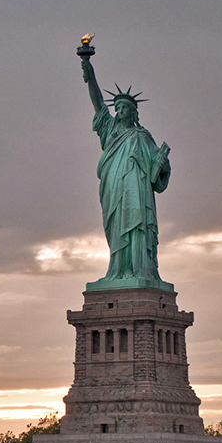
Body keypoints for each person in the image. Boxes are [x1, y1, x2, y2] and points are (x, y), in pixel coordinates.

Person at [81, 56, 171, 285]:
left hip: (137, 191)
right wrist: (88, 69)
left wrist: (162, 164)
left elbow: (157, 176)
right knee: (116, 226)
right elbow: (98, 101)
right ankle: (118, 270)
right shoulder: (109, 128)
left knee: (137, 225)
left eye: (123, 108)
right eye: (117, 107)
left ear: (133, 112)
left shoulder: (143, 136)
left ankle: (140, 271)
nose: (119, 111)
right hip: (113, 186)